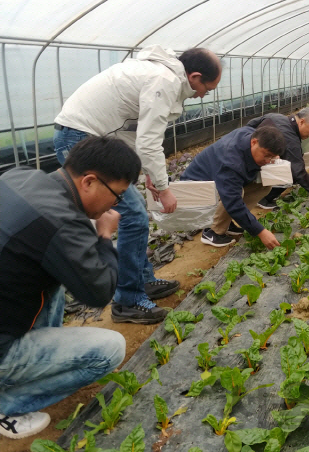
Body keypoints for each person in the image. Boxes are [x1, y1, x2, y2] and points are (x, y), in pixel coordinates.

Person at [53, 45, 222, 323]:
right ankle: (127, 299)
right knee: (132, 216)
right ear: (194, 76)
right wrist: (164, 188)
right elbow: (147, 140)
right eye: (208, 88)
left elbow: (131, 130)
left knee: (135, 214)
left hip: (91, 136)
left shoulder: (160, 75)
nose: (204, 94)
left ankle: (142, 281)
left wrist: (146, 173)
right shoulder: (164, 81)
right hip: (80, 139)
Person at [0, 137, 140, 439]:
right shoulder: (62, 222)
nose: (116, 204)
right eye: (117, 195)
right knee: (110, 350)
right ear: (89, 181)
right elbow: (100, 292)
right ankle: (8, 405)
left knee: (53, 274)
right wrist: (104, 237)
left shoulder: (19, 176)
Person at [180, 125, 286, 249]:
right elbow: (233, 202)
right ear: (254, 142)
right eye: (267, 155)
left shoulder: (252, 135)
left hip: (217, 180)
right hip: (196, 188)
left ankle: (226, 222)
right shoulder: (231, 162)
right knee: (235, 193)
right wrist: (260, 232)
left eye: (272, 156)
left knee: (264, 185)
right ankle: (212, 231)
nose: (269, 160)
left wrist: (274, 157)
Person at [246, 108, 309, 210]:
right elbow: (299, 172)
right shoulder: (290, 138)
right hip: (251, 165)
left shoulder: (277, 116)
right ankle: (265, 199)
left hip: (248, 153)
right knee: (291, 173)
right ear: (302, 122)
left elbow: (252, 123)